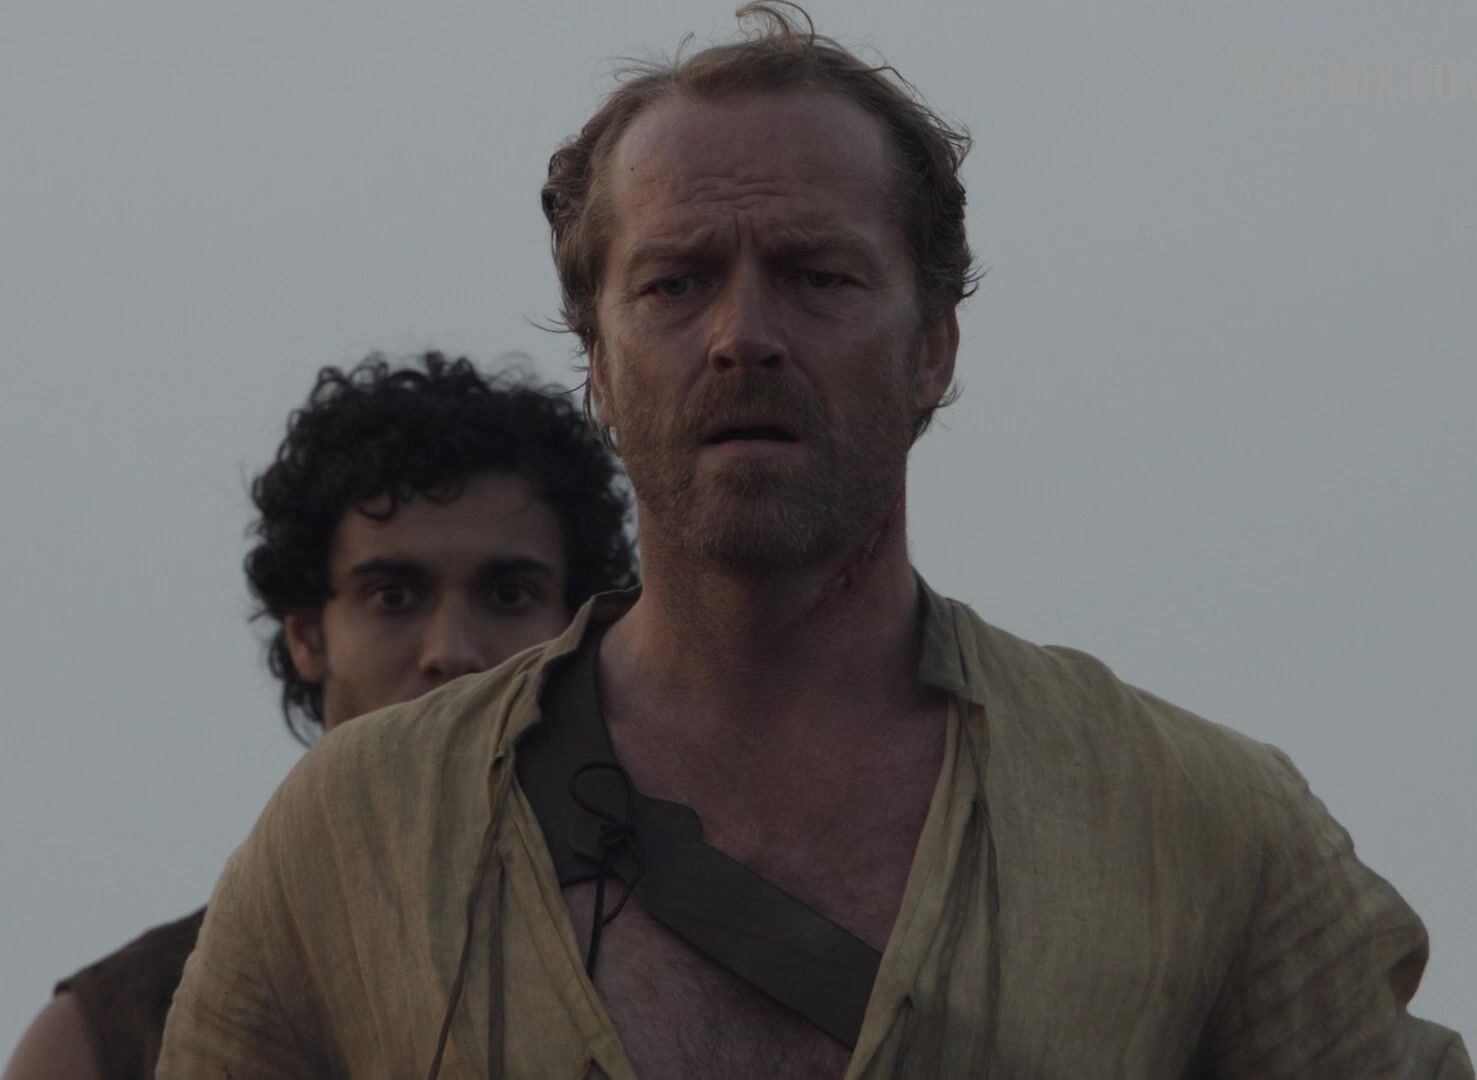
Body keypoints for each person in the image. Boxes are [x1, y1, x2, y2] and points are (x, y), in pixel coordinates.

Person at [158, 7, 1471, 1078]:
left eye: (816, 275)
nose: (742, 335)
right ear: (598, 366)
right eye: (676, 282)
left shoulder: (1195, 830)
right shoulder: (362, 837)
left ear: (933, 347)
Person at [3, 353, 637, 1080]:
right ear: (307, 635)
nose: (451, 650)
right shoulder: (110, 1036)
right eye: (394, 597)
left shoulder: (669, 956)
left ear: (578, 627)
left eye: (507, 595)